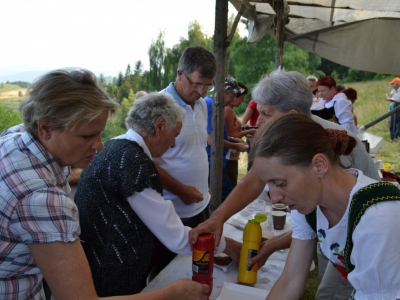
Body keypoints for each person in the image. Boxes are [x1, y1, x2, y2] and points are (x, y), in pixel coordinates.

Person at [0, 68, 209, 300]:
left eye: (99, 134)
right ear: (45, 128)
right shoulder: (42, 199)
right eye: (86, 136)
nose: (99, 145)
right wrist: (173, 293)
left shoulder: (15, 137)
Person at [190, 70, 381, 300]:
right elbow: (256, 182)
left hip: (363, 239)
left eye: (265, 114)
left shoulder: (329, 147)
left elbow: (335, 225)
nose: (257, 121)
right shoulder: (298, 165)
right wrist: (217, 219)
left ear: (290, 115)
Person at [74, 92, 240, 297]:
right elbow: (176, 238)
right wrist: (227, 245)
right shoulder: (133, 161)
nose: (172, 144)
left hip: (98, 263)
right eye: (175, 135)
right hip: (113, 276)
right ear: (160, 126)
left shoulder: (114, 145)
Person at [251, 114, 400, 299]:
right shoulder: (308, 202)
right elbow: (291, 280)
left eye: (280, 183)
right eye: (269, 185)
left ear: (319, 165)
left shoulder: (375, 219)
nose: (274, 198)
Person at [154, 46, 216, 227]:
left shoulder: (202, 104)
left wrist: (203, 185)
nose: (202, 91)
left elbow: (196, 149)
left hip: (200, 204)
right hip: (171, 211)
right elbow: (145, 161)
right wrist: (180, 191)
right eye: (197, 84)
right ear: (180, 74)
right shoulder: (158, 106)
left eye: (208, 85)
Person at [205, 76, 248, 200]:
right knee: (227, 199)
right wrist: (235, 146)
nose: (233, 100)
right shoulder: (212, 106)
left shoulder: (215, 105)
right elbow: (211, 140)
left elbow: (215, 135)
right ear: (223, 92)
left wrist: (232, 140)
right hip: (212, 162)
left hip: (216, 161)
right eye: (232, 96)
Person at [224, 81, 255, 187]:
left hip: (232, 155)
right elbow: (228, 136)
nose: (242, 102)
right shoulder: (228, 110)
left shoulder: (230, 110)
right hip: (229, 155)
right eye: (241, 98)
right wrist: (249, 132)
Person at [241, 98, 259, 171]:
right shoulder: (254, 102)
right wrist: (251, 138)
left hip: (266, 138)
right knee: (252, 165)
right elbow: (243, 123)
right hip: (253, 138)